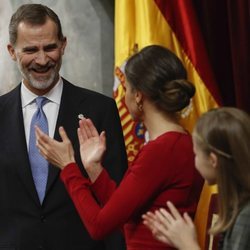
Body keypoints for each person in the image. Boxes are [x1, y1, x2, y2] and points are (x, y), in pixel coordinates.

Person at [35, 44, 204, 250]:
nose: (123, 98)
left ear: (138, 96)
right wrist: (94, 168)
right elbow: (124, 213)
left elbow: (99, 226)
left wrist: (68, 166)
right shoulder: (180, 142)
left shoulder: (161, 150)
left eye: (126, 90)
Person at [0, 3, 128, 250]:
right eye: (30, 50)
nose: (41, 59)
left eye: (50, 48)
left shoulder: (100, 110)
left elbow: (116, 204)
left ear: (63, 45)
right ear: (12, 51)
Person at [142, 107, 250, 250]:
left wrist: (188, 244)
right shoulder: (236, 206)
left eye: (196, 154)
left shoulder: (245, 216)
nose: (194, 160)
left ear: (213, 160)